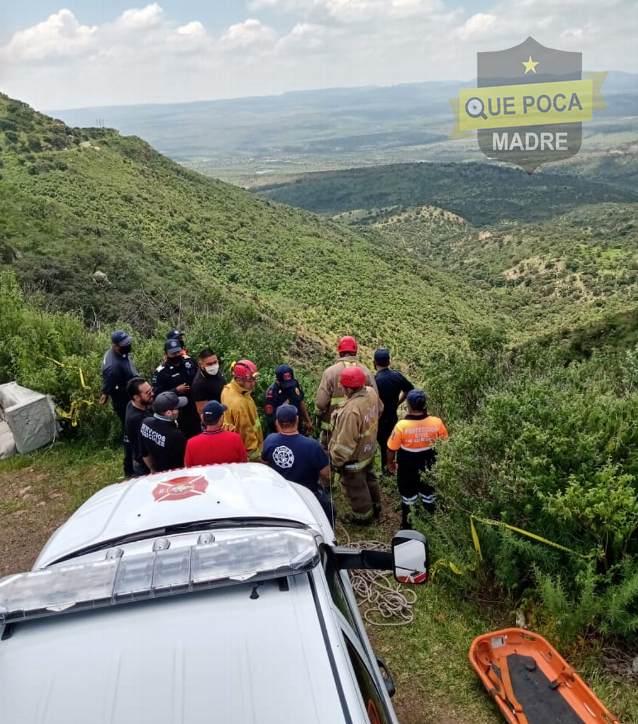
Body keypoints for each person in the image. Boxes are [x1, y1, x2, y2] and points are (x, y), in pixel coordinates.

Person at [387, 389, 449, 528]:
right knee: (429, 496)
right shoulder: (436, 422)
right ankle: (431, 525)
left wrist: (390, 464)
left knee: (408, 499)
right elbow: (445, 445)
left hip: (407, 468)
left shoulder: (401, 426)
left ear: (408, 406)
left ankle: (408, 527)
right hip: (430, 466)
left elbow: (391, 449)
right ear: (424, 404)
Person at [262, 405, 335, 523]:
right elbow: (327, 473)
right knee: (330, 513)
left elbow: (265, 465)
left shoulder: (270, 440)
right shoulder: (312, 445)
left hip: (280, 494)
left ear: (277, 423)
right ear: (297, 419)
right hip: (308, 495)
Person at [329, 366, 383, 525]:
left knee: (356, 487)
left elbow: (345, 444)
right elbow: (380, 409)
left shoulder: (351, 411)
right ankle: (376, 505)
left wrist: (337, 462)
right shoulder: (371, 393)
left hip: (354, 458)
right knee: (370, 477)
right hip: (369, 448)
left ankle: (362, 517)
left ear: (347, 388)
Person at [315, 336, 377, 453]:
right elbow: (375, 401)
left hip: (331, 429)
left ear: (340, 352)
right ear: (355, 351)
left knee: (329, 457)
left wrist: (318, 417)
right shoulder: (366, 372)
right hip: (360, 430)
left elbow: (320, 403)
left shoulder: (330, 373)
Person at [100, 329, 139, 477]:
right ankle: (130, 469)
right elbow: (109, 383)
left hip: (130, 394)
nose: (128, 344)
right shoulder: (113, 366)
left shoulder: (118, 353)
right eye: (125, 343)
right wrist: (105, 393)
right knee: (130, 433)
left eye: (128, 341)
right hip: (125, 403)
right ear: (116, 345)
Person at [373, 349, 414, 474]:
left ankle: (387, 471)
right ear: (389, 361)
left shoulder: (375, 381)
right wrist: (399, 402)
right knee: (392, 443)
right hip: (392, 416)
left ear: (374, 363)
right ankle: (392, 468)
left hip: (379, 418)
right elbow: (409, 389)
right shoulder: (397, 376)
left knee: (384, 445)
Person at [152, 338, 200, 439]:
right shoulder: (161, 372)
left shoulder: (189, 362)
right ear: (166, 353)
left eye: (178, 352)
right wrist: (176, 390)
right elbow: (157, 396)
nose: (176, 355)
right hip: (176, 413)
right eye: (173, 353)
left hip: (194, 408)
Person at [221, 359, 264, 462]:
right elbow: (246, 435)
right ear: (239, 380)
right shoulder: (240, 404)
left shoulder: (228, 389)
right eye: (250, 381)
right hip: (251, 455)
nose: (253, 384)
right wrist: (257, 459)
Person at [184, 400, 248, 466]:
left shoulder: (191, 444)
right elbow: (244, 464)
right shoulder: (235, 439)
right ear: (221, 419)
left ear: (202, 418)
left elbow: (189, 470)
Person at [139, 391, 188, 473]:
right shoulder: (176, 435)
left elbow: (144, 453)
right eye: (177, 408)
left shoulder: (145, 423)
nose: (179, 410)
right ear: (168, 413)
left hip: (157, 472)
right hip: (175, 475)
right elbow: (185, 461)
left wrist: (152, 469)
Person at [264, 364, 313, 435]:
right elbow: (273, 421)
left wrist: (308, 421)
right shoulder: (272, 394)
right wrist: (285, 436)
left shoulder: (294, 384)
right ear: (277, 381)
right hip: (280, 433)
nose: (288, 386)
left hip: (297, 428)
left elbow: (300, 401)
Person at [124, 377, 154, 477]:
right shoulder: (138, 419)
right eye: (148, 393)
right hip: (145, 464)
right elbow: (146, 447)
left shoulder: (131, 404)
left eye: (151, 390)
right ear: (136, 397)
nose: (152, 394)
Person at [191, 348, 228, 414]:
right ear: (201, 364)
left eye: (215, 362)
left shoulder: (216, 371)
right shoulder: (199, 384)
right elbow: (201, 411)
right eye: (209, 364)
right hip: (216, 418)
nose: (213, 366)